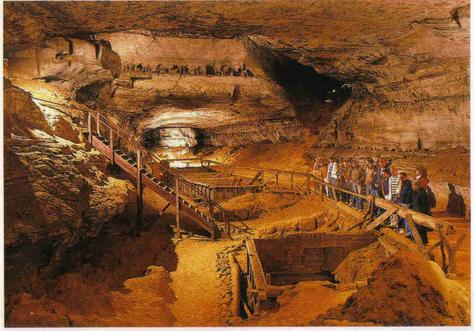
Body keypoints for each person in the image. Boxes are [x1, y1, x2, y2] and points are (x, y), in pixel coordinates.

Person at [398, 172, 413, 236]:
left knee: (407, 218)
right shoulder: (402, 183)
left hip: (405, 203)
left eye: (402, 177)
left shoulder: (409, 183)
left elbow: (409, 194)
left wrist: (407, 204)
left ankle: (409, 233)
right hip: (401, 202)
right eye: (400, 178)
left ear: (405, 177)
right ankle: (404, 230)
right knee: (401, 217)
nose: (400, 179)